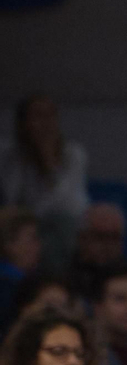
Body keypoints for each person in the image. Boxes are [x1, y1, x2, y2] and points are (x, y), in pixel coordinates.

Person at [0, 94, 89, 265]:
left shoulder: (73, 154)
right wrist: (31, 158)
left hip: (65, 222)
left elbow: (63, 202)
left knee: (60, 226)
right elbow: (11, 198)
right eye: (38, 116)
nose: (45, 123)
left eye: (50, 115)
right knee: (23, 231)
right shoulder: (11, 156)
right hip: (27, 221)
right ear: (23, 122)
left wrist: (49, 165)